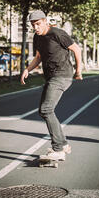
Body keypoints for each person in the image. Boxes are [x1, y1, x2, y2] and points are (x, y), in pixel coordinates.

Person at [20, 10, 82, 161]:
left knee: (46, 109)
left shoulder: (57, 33)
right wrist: (27, 70)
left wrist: (79, 70)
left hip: (62, 75)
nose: (36, 27)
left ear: (45, 21)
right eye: (33, 25)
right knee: (43, 111)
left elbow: (76, 49)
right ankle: (64, 144)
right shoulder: (37, 37)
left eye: (38, 24)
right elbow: (38, 57)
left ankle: (58, 149)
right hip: (50, 76)